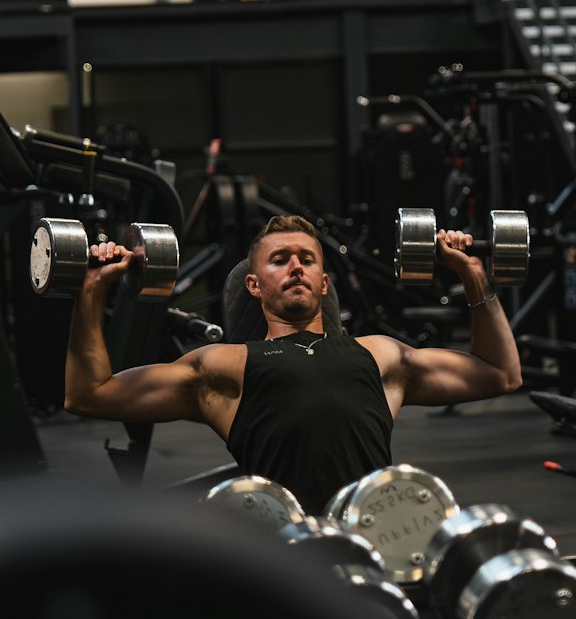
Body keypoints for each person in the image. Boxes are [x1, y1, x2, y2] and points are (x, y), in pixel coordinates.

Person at [65, 212, 523, 513]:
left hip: (371, 538)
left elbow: (501, 373)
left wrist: (473, 275)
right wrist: (92, 290)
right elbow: (89, 394)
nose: (295, 268)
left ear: (324, 284)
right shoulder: (224, 367)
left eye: (306, 260)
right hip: (282, 547)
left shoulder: (380, 355)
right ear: (253, 286)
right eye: (279, 260)